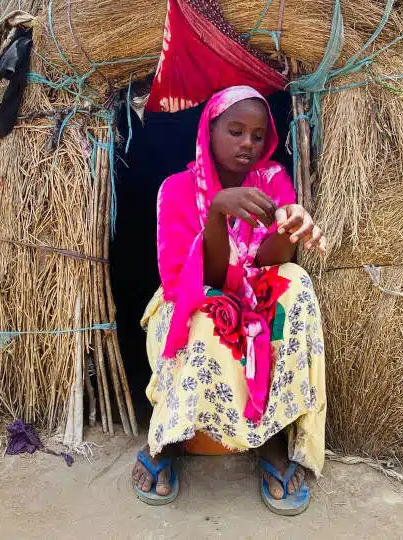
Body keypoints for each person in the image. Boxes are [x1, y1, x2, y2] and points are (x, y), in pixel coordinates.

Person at [131, 85, 327, 516]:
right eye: (235, 131)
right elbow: (195, 280)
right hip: (187, 298)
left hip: (253, 294)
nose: (247, 144)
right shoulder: (177, 190)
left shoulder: (272, 179)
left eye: (257, 136)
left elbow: (271, 262)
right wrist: (217, 212)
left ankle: (273, 440)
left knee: (296, 284)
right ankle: (170, 437)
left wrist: (289, 227)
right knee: (208, 316)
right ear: (210, 129)